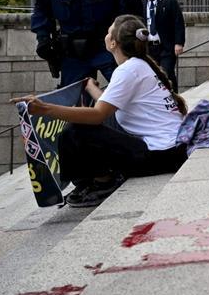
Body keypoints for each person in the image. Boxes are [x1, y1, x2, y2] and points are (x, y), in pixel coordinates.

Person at [11, 15, 189, 208]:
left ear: (113, 42)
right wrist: (91, 88)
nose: (105, 35)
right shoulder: (139, 65)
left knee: (76, 131)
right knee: (101, 121)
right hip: (172, 151)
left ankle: (102, 181)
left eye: (108, 31)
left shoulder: (128, 70)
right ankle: (97, 178)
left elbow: (98, 115)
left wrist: (44, 108)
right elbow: (111, 104)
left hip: (160, 156)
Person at [140, 0, 186, 92]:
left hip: (166, 46)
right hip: (148, 48)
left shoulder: (169, 1)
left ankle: (175, 101)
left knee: (167, 74)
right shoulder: (141, 3)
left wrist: (179, 43)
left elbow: (178, 22)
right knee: (152, 77)